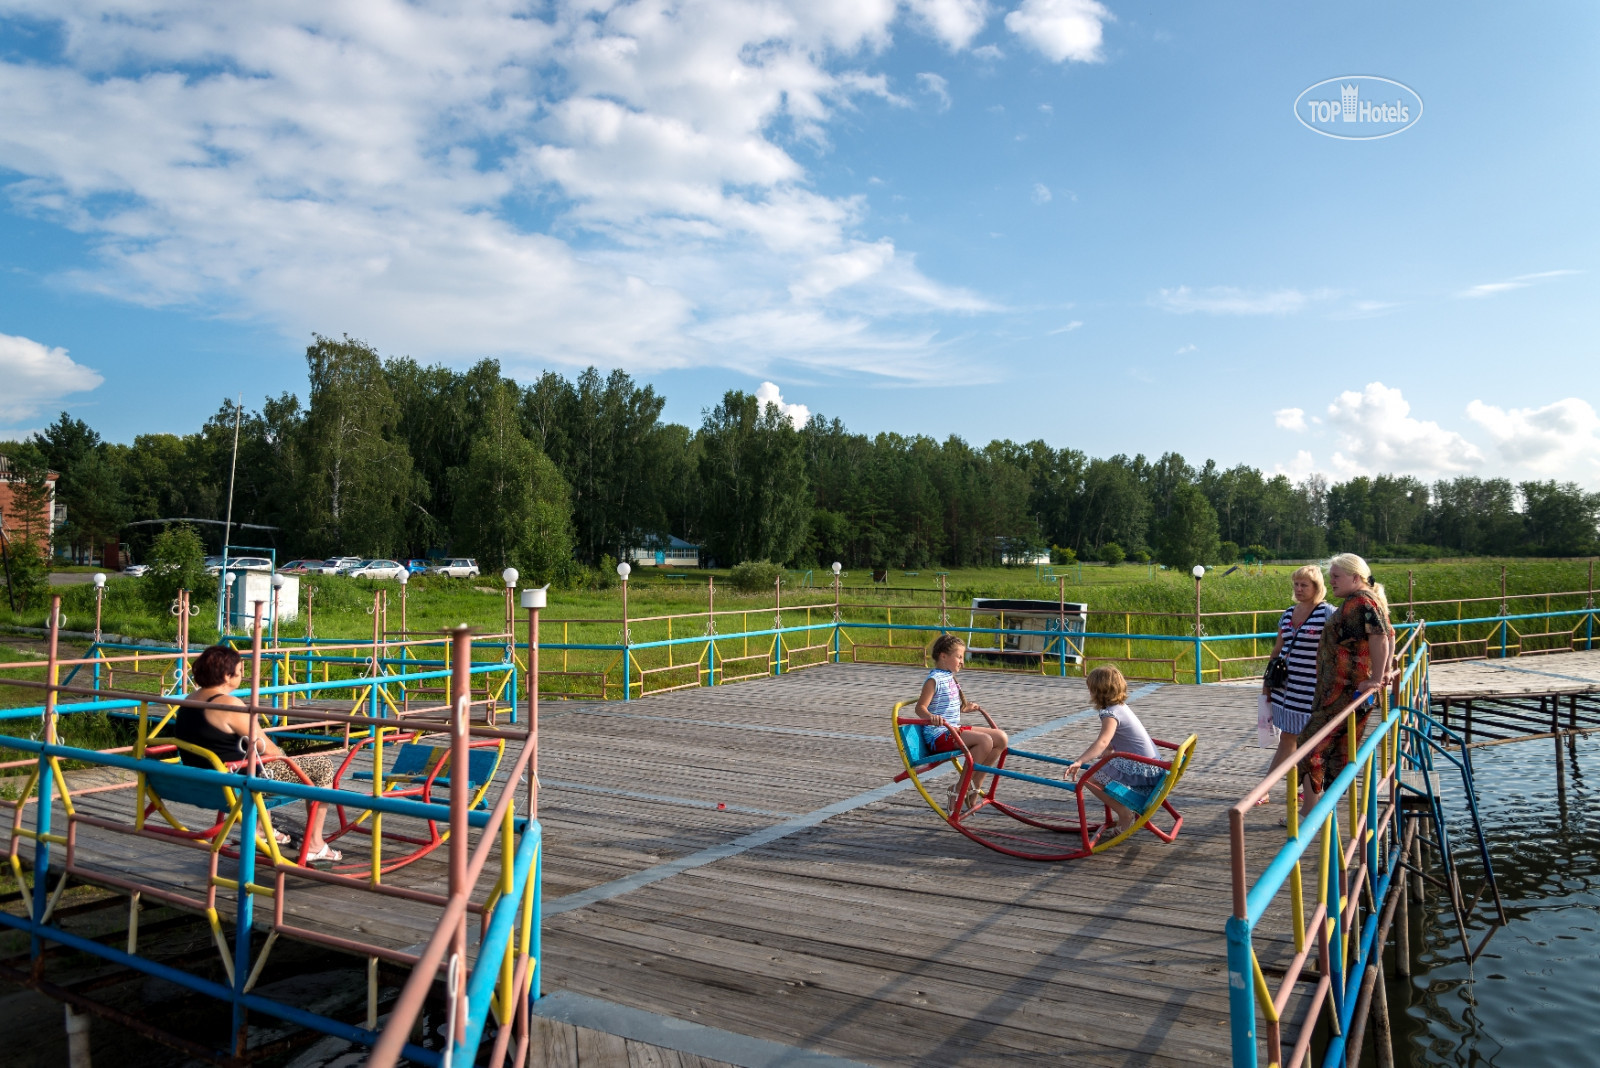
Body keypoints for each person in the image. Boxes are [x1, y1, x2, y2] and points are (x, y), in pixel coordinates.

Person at [174, 644, 342, 863]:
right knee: (322, 766)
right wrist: (287, 759)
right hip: (237, 785)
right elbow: (264, 746)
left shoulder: (188, 701)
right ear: (227, 676)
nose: (242, 677)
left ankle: (262, 829)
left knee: (257, 762)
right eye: (240, 672)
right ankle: (314, 844)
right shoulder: (229, 705)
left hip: (205, 781)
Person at [1297, 553, 1395, 812]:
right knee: (1337, 750)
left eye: (1337, 577)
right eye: (1330, 577)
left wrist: (1376, 678)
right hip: (1344, 692)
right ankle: (1322, 808)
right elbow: (1389, 634)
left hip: (1342, 693)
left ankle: (1310, 811)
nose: (1332, 582)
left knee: (1309, 746)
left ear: (1355, 577)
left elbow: (1380, 637)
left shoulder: (1359, 602)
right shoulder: (1368, 600)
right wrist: (1386, 670)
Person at [1260, 565, 1334, 805]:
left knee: (1302, 741)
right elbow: (1277, 649)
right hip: (1285, 688)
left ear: (1316, 587)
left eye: (1305, 585)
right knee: (1289, 739)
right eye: (1296, 584)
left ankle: (1272, 789)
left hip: (1310, 689)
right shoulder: (1288, 613)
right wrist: (1267, 684)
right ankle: (1287, 789)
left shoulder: (1326, 613)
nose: (1299, 589)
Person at [915, 634, 1009, 814]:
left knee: (1001, 738)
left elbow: (946, 705)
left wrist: (964, 708)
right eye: (959, 657)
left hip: (952, 729)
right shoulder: (934, 679)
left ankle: (975, 783)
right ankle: (958, 789)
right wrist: (931, 716)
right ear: (943, 656)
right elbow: (920, 708)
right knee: (985, 741)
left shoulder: (949, 677)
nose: (962, 662)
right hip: (939, 735)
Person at [1064, 666, 1164, 836]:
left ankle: (1124, 812)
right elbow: (1115, 739)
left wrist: (1080, 761)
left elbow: (1103, 741)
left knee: (1089, 780)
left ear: (1097, 691)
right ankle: (1125, 806)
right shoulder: (1121, 707)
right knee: (1101, 769)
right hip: (1153, 765)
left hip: (1142, 768)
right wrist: (1109, 750)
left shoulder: (1110, 713)